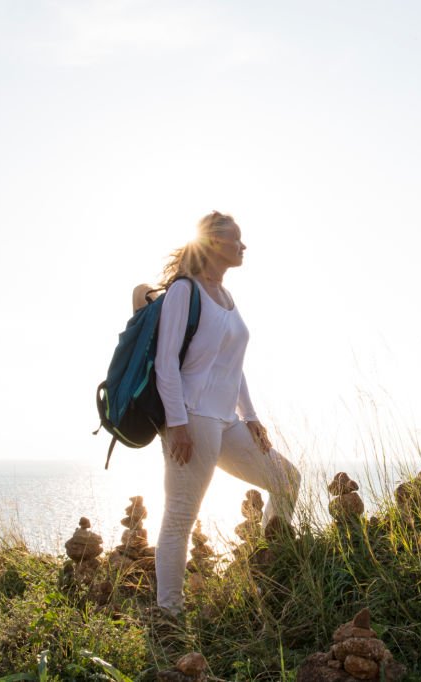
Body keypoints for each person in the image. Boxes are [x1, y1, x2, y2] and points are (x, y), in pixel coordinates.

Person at [152, 211, 300, 619]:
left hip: (227, 421)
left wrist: (249, 415)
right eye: (237, 240)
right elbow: (166, 363)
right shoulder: (185, 291)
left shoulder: (227, 297)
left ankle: (269, 566)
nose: (243, 246)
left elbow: (231, 365)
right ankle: (170, 615)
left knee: (287, 479)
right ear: (215, 243)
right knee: (181, 516)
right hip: (192, 417)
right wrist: (177, 423)